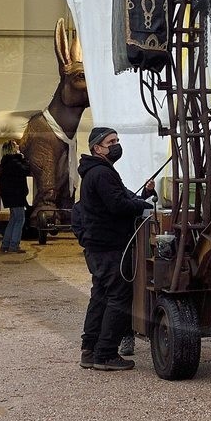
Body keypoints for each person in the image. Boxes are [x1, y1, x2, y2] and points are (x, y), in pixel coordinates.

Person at [73, 126, 154, 371]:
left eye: (117, 140)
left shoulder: (97, 172)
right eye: (111, 141)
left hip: (99, 246)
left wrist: (142, 197)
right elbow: (117, 204)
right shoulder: (101, 173)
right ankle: (105, 354)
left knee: (100, 296)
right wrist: (142, 206)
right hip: (109, 246)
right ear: (97, 148)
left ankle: (90, 349)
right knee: (118, 296)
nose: (116, 145)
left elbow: (119, 198)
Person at [0, 141, 31, 254]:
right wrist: (23, 158)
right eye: (15, 144)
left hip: (9, 195)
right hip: (16, 195)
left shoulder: (6, 162)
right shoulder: (14, 161)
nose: (18, 145)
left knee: (13, 219)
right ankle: (14, 245)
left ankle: (5, 244)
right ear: (12, 148)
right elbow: (26, 170)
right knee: (19, 219)